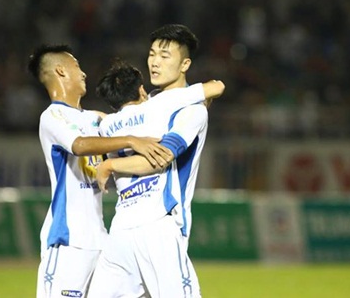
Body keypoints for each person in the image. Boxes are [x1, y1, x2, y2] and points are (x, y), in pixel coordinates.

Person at [27, 44, 174, 298]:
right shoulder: (52, 116)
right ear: (61, 70)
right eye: (77, 66)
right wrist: (129, 140)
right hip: (67, 241)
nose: (83, 73)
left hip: (101, 239)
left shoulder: (95, 118)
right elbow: (79, 145)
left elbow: (133, 123)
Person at [89, 24, 217, 298]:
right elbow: (160, 154)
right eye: (151, 54)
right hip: (149, 226)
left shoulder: (186, 111)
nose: (154, 62)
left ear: (185, 64)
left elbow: (160, 154)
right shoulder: (162, 105)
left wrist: (109, 163)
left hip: (137, 227)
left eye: (164, 55)